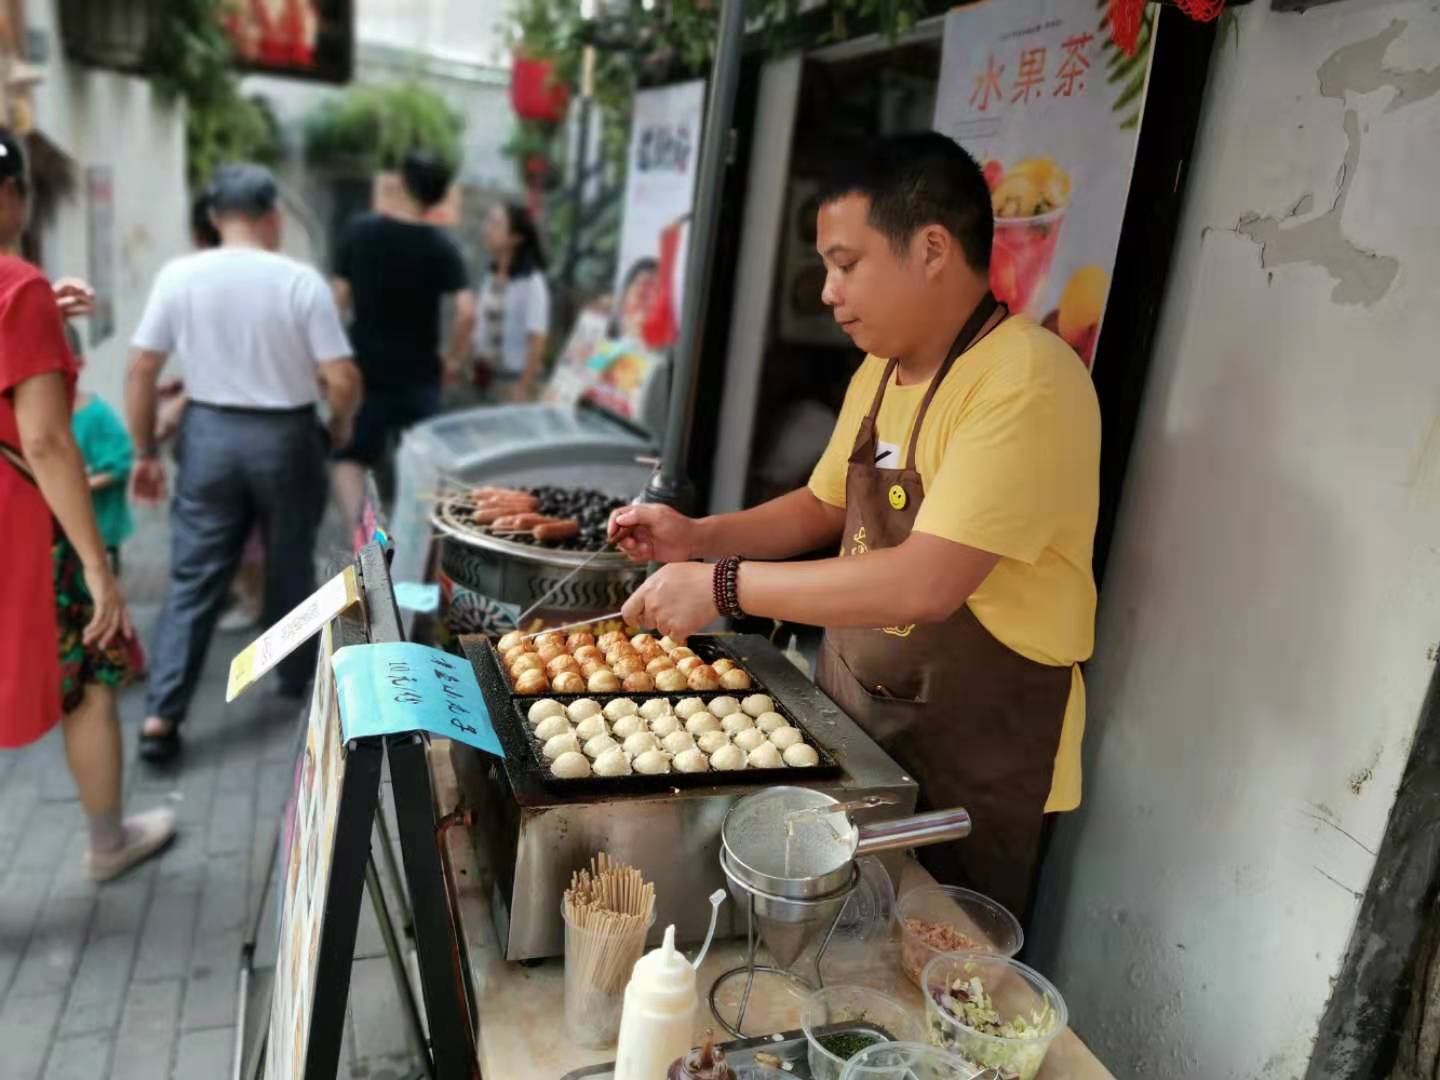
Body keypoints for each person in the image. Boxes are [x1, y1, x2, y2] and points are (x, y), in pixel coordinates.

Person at [611, 132, 1101, 916]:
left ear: (932, 248)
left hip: (969, 756)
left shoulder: (1027, 381)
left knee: (933, 963)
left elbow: (925, 583)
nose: (828, 293)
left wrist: (723, 585)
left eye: (846, 263)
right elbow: (824, 505)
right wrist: (696, 538)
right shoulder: (883, 368)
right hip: (855, 724)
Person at [126, 163, 362, 763]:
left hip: (208, 437)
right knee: (289, 565)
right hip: (286, 438)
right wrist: (337, 423)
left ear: (213, 217)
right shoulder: (299, 281)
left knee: (194, 576)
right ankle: (292, 684)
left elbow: (140, 369)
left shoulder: (180, 276)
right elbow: (341, 376)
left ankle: (161, 715)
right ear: (272, 218)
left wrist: (145, 450)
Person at [0, 126, 175, 880]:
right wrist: (99, 570)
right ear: (11, 197)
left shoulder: (28, 298)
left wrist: (45, 322)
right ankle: (109, 843)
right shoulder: (17, 288)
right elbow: (45, 443)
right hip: (22, 532)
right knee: (92, 675)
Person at [331, 150, 474, 528]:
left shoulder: (360, 231)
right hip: (420, 375)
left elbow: (336, 301)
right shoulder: (442, 246)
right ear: (438, 196)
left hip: (365, 373)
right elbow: (466, 311)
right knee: (424, 463)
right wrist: (453, 359)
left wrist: (332, 361)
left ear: (402, 184)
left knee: (349, 459)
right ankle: (417, 544)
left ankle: (362, 538)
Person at [472, 202, 550, 402]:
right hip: (485, 378)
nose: (487, 229)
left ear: (515, 237)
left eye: (496, 224)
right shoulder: (490, 274)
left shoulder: (532, 282)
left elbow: (537, 340)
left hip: (512, 383)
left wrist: (522, 388)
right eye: (488, 221)